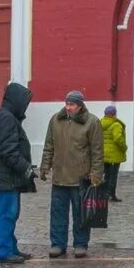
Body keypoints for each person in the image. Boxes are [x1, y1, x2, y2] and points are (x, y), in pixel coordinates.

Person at [39, 90, 104, 258]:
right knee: (57, 213)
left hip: (81, 178)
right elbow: (49, 145)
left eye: (72, 104)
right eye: (67, 104)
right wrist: (45, 166)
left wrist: (96, 174)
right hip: (59, 176)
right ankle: (57, 244)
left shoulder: (92, 122)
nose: (68, 107)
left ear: (80, 105)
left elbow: (97, 151)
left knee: (80, 214)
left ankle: (80, 244)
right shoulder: (55, 120)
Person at [0, 82, 36, 264]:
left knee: (10, 214)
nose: (26, 106)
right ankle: (3, 251)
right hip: (6, 177)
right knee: (6, 213)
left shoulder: (7, 115)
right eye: (25, 102)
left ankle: (9, 247)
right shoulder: (6, 117)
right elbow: (9, 151)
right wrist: (25, 168)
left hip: (8, 176)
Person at [101, 105, 127, 202]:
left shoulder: (100, 123)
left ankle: (104, 194)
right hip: (114, 155)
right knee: (113, 176)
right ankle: (111, 194)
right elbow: (118, 138)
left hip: (103, 154)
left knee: (106, 175)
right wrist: (124, 147)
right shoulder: (116, 124)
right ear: (114, 114)